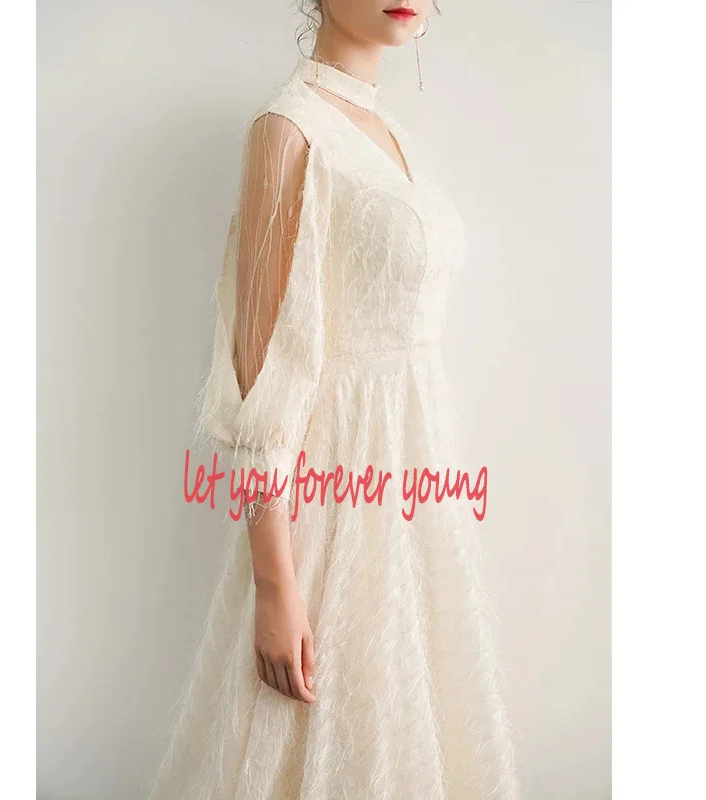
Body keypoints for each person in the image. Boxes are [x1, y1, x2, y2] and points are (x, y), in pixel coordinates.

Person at [148, 2, 521, 797]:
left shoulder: (388, 134)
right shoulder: (289, 130)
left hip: (414, 481)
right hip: (334, 495)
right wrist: (274, 584)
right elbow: (260, 370)